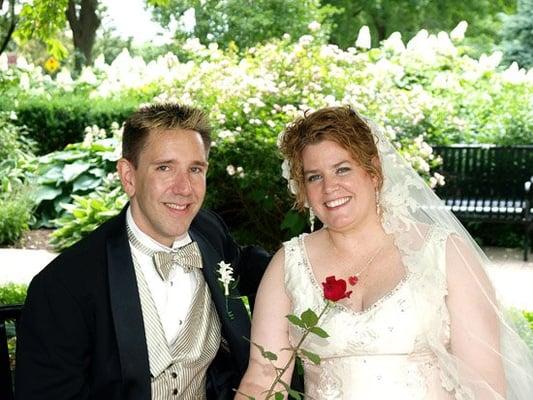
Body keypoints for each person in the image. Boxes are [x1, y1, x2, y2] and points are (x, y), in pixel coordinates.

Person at [236, 106, 533, 399]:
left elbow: (484, 385)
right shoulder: (288, 264)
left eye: (342, 169)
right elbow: (263, 378)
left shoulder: (443, 252)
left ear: (373, 172)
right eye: (315, 177)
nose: (330, 188)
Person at [15, 103, 270, 400]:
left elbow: (252, 266)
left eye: (195, 169)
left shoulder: (210, 232)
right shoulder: (64, 286)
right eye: (164, 167)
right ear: (128, 176)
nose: (184, 188)